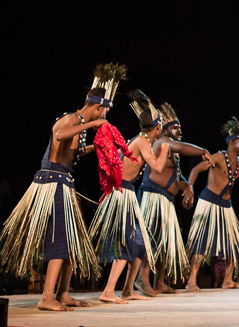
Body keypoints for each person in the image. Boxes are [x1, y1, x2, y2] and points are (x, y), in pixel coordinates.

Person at [0, 64, 125, 311]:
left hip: (64, 182)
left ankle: (63, 293)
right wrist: (92, 126)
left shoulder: (81, 126)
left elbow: (74, 152)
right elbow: (59, 135)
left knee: (70, 239)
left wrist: (104, 148)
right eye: (105, 112)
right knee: (59, 240)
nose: (104, 118)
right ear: (99, 107)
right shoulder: (71, 118)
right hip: (52, 182)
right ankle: (47, 297)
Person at [90, 90, 170, 304]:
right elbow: (157, 168)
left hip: (126, 193)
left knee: (139, 242)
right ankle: (108, 291)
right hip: (122, 193)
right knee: (125, 245)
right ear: (158, 127)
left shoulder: (138, 140)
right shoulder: (143, 142)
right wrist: (165, 150)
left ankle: (127, 290)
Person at [136, 101, 213, 296]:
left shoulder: (171, 152)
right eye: (175, 128)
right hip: (153, 198)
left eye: (181, 128)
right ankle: (142, 279)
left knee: (165, 243)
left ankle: (159, 283)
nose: (179, 131)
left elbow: (178, 178)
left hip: (166, 200)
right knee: (151, 240)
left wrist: (189, 188)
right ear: (164, 130)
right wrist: (203, 151)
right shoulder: (161, 142)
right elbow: (183, 147)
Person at [185, 117, 239, 291]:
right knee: (202, 242)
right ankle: (191, 280)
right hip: (209, 202)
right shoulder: (218, 157)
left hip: (226, 205)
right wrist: (189, 186)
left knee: (234, 243)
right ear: (232, 142)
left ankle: (228, 280)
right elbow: (196, 169)